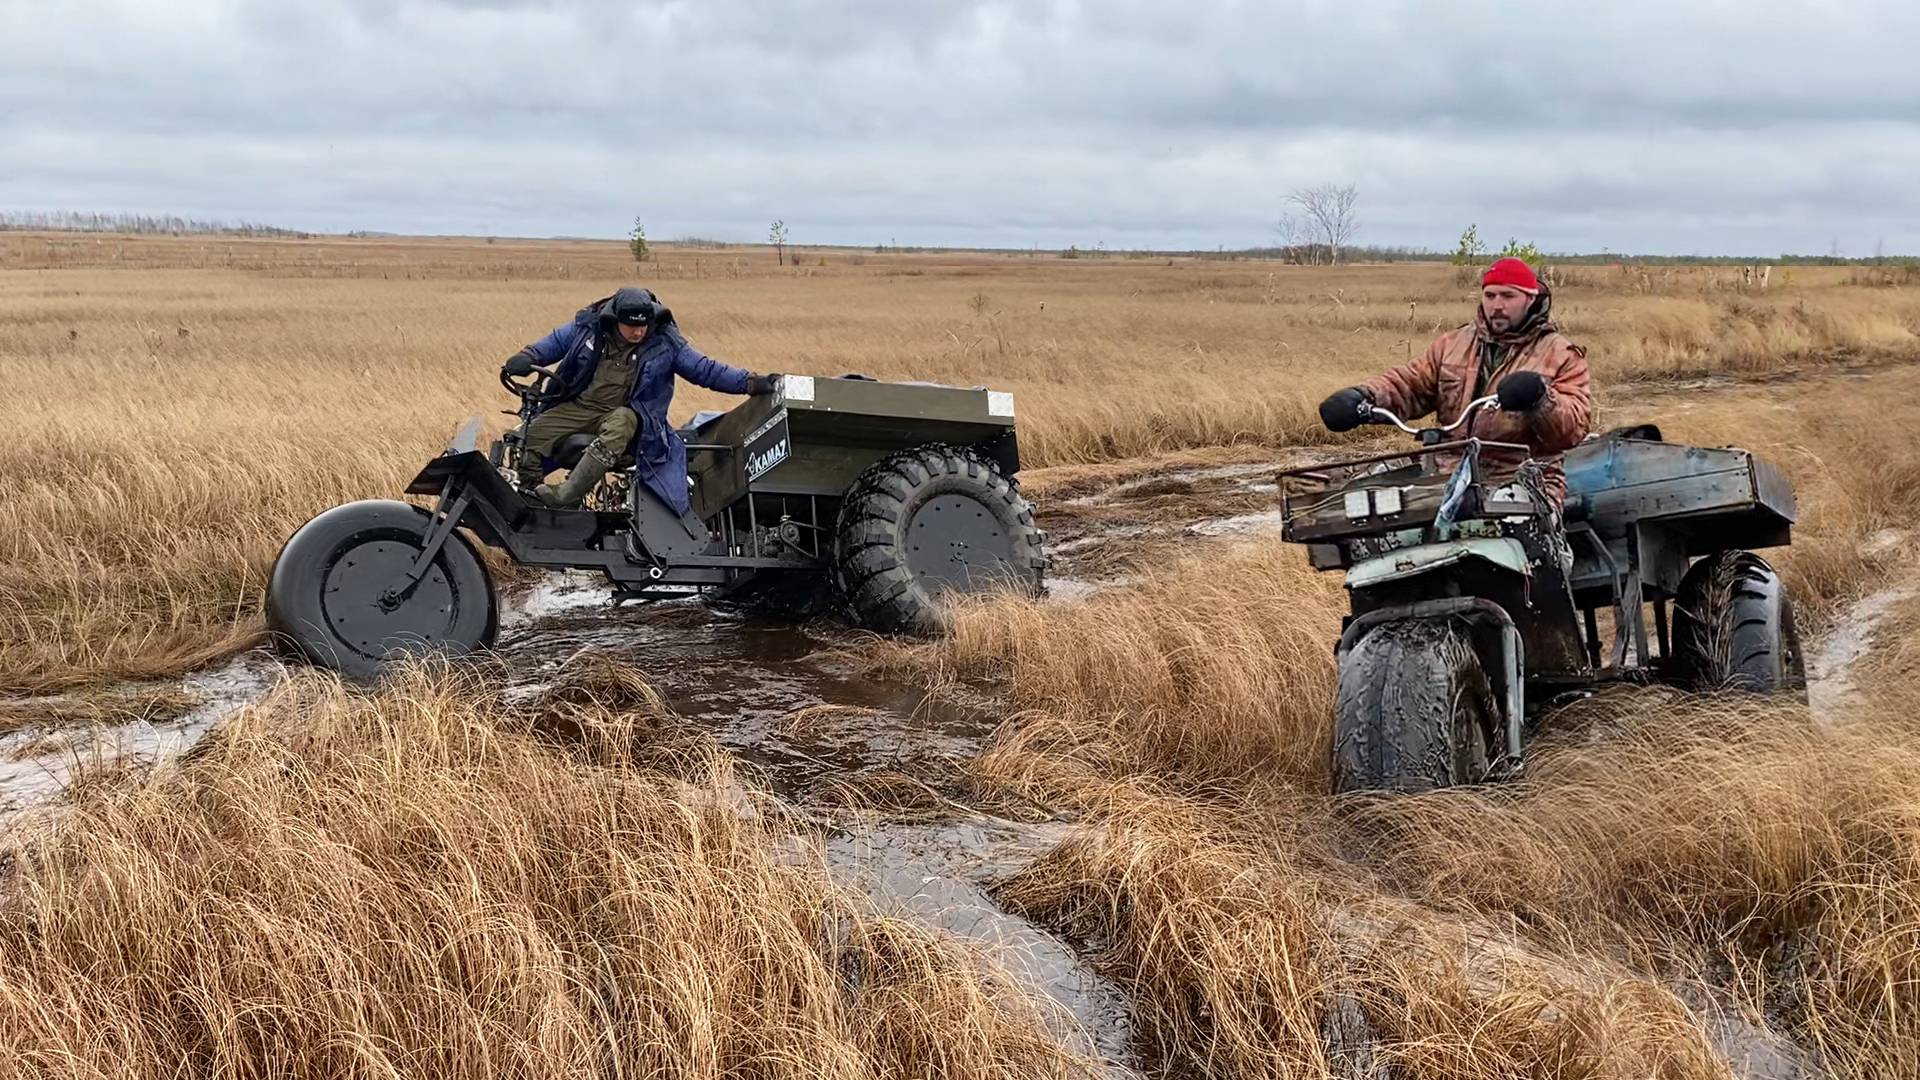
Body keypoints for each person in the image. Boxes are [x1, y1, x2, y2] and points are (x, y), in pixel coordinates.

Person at [1317, 257, 1591, 502]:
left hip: (1524, 478)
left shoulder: (1560, 354)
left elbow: (1574, 429)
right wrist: (1363, 397)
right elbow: (1411, 383)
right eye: (1490, 295)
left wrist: (1540, 399)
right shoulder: (1452, 344)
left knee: (1514, 536)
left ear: (1530, 298)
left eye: (1508, 296)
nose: (1497, 305)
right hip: (1447, 476)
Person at [502, 287, 779, 510]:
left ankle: (567, 496)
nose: (638, 332)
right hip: (579, 407)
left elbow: (705, 370)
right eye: (631, 326)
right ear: (615, 320)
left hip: (630, 417)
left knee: (622, 421)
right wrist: (529, 356)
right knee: (530, 435)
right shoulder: (588, 326)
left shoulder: (666, 343)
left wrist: (749, 382)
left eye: (643, 326)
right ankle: (531, 497)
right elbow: (555, 342)